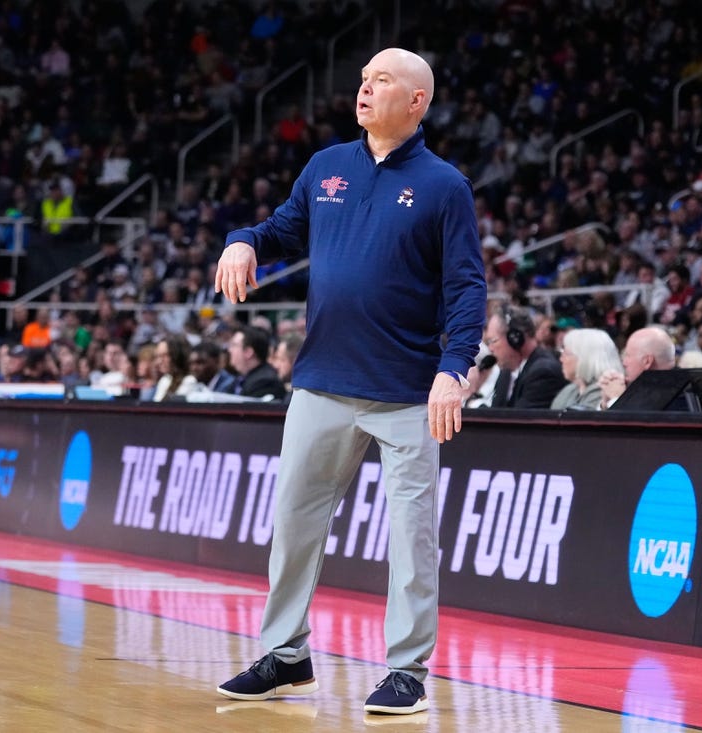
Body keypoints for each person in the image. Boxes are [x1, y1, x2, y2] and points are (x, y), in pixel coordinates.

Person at [214, 48, 486, 715]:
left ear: (416, 101)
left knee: (412, 533)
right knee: (294, 523)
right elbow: (281, 229)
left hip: (406, 391)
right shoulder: (325, 166)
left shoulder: (445, 184)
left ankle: (407, 672)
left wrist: (454, 369)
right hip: (321, 381)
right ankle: (285, 655)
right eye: (363, 80)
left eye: (382, 81)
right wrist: (243, 239)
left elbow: (466, 286)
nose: (365, 89)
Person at [483, 307, 566, 409]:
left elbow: (519, 421)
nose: (490, 348)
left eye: (493, 341)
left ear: (514, 338)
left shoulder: (543, 372)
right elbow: (496, 413)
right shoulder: (506, 373)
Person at [598, 325, 677, 408]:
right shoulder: (641, 385)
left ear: (647, 361)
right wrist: (605, 403)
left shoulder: (678, 396)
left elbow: (633, 420)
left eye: (627, 355)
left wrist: (617, 398)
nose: (624, 362)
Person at [550, 328, 622, 411]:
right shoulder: (568, 391)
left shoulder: (606, 392)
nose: (561, 359)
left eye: (566, 353)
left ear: (585, 359)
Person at [223, 325, 286, 401]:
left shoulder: (265, 383)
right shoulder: (240, 379)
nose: (229, 350)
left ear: (248, 352)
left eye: (234, 345)